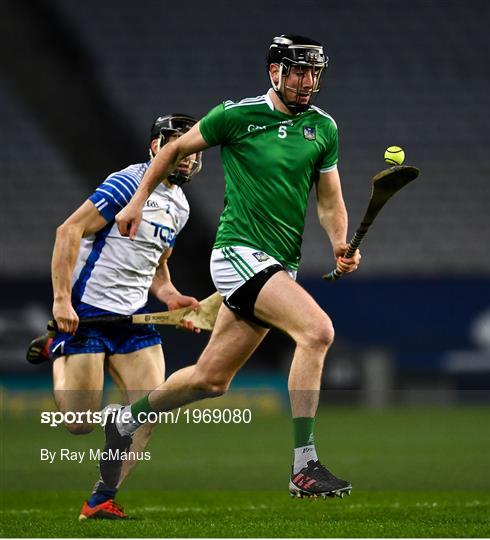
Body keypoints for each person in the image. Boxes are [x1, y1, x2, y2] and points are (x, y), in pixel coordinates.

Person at [103, 35, 361, 499]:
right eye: (299, 71)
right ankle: (304, 466)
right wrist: (137, 202)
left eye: (315, 73)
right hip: (238, 254)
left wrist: (340, 241)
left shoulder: (324, 128)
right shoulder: (236, 116)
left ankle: (128, 416)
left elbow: (329, 200)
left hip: (279, 264)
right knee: (317, 332)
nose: (308, 82)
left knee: (211, 380)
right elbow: (171, 150)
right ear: (274, 72)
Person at [48, 114, 203, 520]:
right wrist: (62, 302)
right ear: (157, 146)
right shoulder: (126, 182)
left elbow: (155, 262)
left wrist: (169, 296)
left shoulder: (181, 206)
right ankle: (54, 347)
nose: (187, 156)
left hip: (133, 319)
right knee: (79, 424)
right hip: (87, 315)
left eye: (192, 149)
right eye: (179, 145)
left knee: (148, 411)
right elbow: (69, 231)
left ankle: (101, 498)